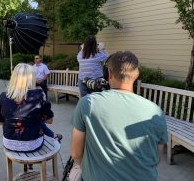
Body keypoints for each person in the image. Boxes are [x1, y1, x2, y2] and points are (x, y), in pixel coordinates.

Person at [70, 51, 168, 181]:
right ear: (137, 74)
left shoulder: (87, 104)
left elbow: (76, 153)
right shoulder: (156, 111)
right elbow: (156, 158)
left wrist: (86, 168)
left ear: (109, 74)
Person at [0, 63, 61, 153]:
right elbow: (50, 121)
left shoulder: (3, 96)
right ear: (31, 78)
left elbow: (0, 121)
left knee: (30, 120)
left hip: (9, 143)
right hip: (33, 144)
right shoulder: (39, 94)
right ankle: (54, 135)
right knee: (36, 119)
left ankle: (52, 134)